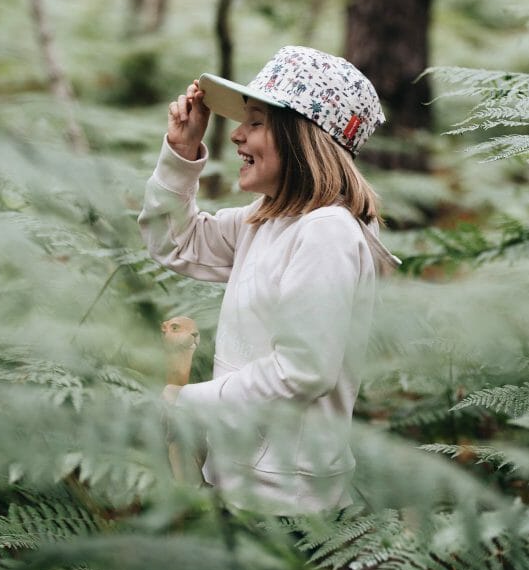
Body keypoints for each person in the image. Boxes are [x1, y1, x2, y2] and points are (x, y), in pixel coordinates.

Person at [138, 46, 399, 515]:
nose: (237, 134)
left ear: (303, 138)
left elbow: (303, 370)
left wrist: (192, 403)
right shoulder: (269, 219)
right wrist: (181, 153)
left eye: (256, 122)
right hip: (242, 481)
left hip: (286, 503)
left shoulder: (327, 232)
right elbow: (176, 242)